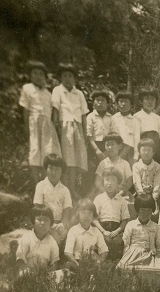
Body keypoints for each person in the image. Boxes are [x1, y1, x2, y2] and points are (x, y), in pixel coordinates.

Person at [19, 60, 61, 185]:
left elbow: (53, 112)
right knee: (35, 152)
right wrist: (26, 126)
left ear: (45, 77)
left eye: (40, 74)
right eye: (35, 73)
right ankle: (36, 185)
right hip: (34, 122)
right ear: (30, 75)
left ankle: (45, 184)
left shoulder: (48, 93)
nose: (38, 76)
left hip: (47, 125)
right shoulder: (27, 88)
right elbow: (26, 110)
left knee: (47, 153)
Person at [51, 63, 88, 198]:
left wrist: (84, 132)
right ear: (61, 77)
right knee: (66, 159)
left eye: (70, 76)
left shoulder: (79, 93)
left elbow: (84, 115)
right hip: (64, 127)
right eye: (65, 75)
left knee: (76, 160)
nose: (67, 78)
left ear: (74, 78)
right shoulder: (57, 90)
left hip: (77, 128)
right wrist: (56, 126)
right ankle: (64, 189)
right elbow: (55, 109)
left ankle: (72, 189)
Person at [117, 194, 160, 286]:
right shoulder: (131, 225)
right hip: (133, 253)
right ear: (137, 210)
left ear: (152, 211)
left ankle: (149, 285)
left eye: (149, 211)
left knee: (159, 270)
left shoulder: (155, 226)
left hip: (150, 252)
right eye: (142, 210)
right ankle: (133, 284)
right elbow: (126, 241)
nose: (145, 213)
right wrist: (125, 255)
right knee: (126, 268)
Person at [33, 154, 73, 245]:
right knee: (51, 240)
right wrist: (50, 228)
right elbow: (38, 210)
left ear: (62, 171)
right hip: (43, 222)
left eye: (57, 169)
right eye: (51, 168)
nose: (53, 173)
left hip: (59, 224)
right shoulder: (40, 186)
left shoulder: (65, 190)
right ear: (46, 169)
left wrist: (63, 224)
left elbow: (67, 210)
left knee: (68, 239)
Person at [92, 168, 130, 260]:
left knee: (118, 243)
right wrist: (103, 231)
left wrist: (117, 231)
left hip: (116, 230)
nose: (109, 183)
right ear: (103, 181)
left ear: (118, 184)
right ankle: (103, 266)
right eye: (107, 179)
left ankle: (114, 266)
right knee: (104, 241)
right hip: (101, 229)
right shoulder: (99, 198)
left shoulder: (121, 200)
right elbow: (94, 218)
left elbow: (125, 219)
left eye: (113, 180)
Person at [64, 199, 109, 269]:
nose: (86, 216)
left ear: (93, 215)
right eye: (83, 213)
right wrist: (77, 265)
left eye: (89, 213)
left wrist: (99, 262)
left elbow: (104, 250)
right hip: (76, 262)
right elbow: (68, 252)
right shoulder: (73, 230)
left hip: (93, 263)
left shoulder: (96, 231)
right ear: (78, 214)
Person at [16, 204, 60, 272]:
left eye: (46, 220)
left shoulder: (52, 241)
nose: (42, 223)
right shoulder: (27, 238)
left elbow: (55, 261)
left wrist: (48, 274)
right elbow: (20, 259)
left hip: (44, 274)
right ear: (33, 222)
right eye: (39, 219)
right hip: (27, 273)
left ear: (50, 223)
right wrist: (27, 272)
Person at [94, 133, 133, 198]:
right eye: (107, 145)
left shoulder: (125, 163)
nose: (110, 147)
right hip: (105, 193)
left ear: (120, 146)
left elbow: (129, 183)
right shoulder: (103, 163)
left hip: (121, 194)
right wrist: (106, 194)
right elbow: (97, 182)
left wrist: (120, 194)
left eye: (112, 144)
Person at [134, 88, 160, 163]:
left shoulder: (157, 117)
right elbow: (136, 136)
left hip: (156, 147)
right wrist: (137, 153)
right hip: (144, 145)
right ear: (141, 101)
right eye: (147, 99)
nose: (150, 102)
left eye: (152, 99)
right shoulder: (137, 116)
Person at [86, 90, 114, 173]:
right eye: (98, 100)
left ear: (107, 104)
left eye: (103, 100)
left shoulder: (111, 117)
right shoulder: (90, 116)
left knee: (107, 170)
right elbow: (88, 134)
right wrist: (97, 150)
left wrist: (107, 150)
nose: (100, 103)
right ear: (93, 103)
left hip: (107, 146)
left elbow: (113, 134)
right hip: (93, 146)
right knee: (93, 170)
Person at [111, 90, 140, 166]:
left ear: (131, 105)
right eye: (121, 101)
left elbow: (137, 139)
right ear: (117, 104)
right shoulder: (113, 119)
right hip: (115, 152)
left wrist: (135, 157)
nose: (123, 104)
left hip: (130, 153)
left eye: (126, 101)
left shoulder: (134, 121)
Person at [132, 138, 160, 204]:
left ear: (153, 152)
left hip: (154, 196)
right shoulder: (136, 166)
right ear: (139, 152)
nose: (146, 152)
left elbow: (158, 184)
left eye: (149, 150)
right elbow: (137, 183)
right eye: (143, 150)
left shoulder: (157, 167)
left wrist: (154, 198)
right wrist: (142, 195)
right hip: (140, 195)